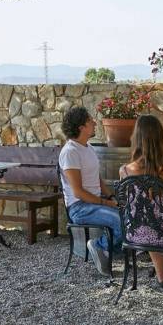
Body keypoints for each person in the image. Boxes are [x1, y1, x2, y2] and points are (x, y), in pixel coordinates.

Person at [119, 114, 163, 289]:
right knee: (160, 222)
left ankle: (161, 273)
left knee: (148, 223)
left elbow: (129, 205)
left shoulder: (125, 171)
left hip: (135, 234)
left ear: (136, 138)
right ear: (160, 138)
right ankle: (162, 275)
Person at [59, 106, 121, 277]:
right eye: (90, 120)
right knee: (122, 221)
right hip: (80, 207)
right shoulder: (70, 152)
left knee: (130, 215)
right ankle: (99, 246)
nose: (94, 122)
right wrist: (107, 203)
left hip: (95, 202)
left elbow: (97, 179)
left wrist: (111, 196)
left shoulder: (88, 148)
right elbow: (78, 192)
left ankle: (108, 252)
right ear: (81, 127)